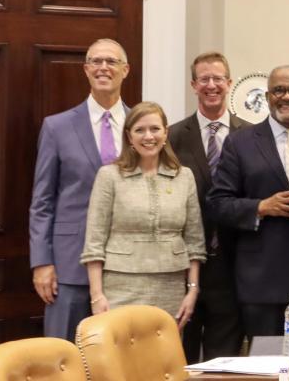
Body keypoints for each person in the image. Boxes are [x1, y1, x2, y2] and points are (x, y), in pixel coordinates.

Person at [29, 38, 131, 340]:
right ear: (86, 70)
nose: (103, 67)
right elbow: (42, 201)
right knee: (64, 355)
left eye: (111, 61)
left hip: (127, 264)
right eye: (96, 61)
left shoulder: (142, 125)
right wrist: (42, 262)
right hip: (69, 265)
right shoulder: (57, 127)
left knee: (119, 358)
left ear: (125, 70)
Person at [206, 65, 289, 338]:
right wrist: (260, 207)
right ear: (267, 97)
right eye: (279, 90)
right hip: (262, 280)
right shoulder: (240, 143)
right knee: (264, 367)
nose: (287, 97)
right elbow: (217, 204)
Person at [80, 101, 206, 328]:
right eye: (140, 130)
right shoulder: (109, 176)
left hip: (171, 288)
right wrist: (97, 296)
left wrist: (192, 290)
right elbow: (94, 243)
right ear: (129, 136)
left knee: (163, 358)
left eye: (155, 129)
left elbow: (195, 241)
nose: (149, 136)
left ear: (166, 133)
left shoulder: (184, 176)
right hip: (121, 286)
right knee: (121, 358)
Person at [168, 52, 247, 362]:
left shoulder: (251, 135)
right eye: (204, 79)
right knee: (178, 356)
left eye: (218, 79)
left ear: (229, 83)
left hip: (232, 264)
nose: (211, 85)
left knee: (223, 360)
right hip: (183, 265)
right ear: (193, 85)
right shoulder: (171, 137)